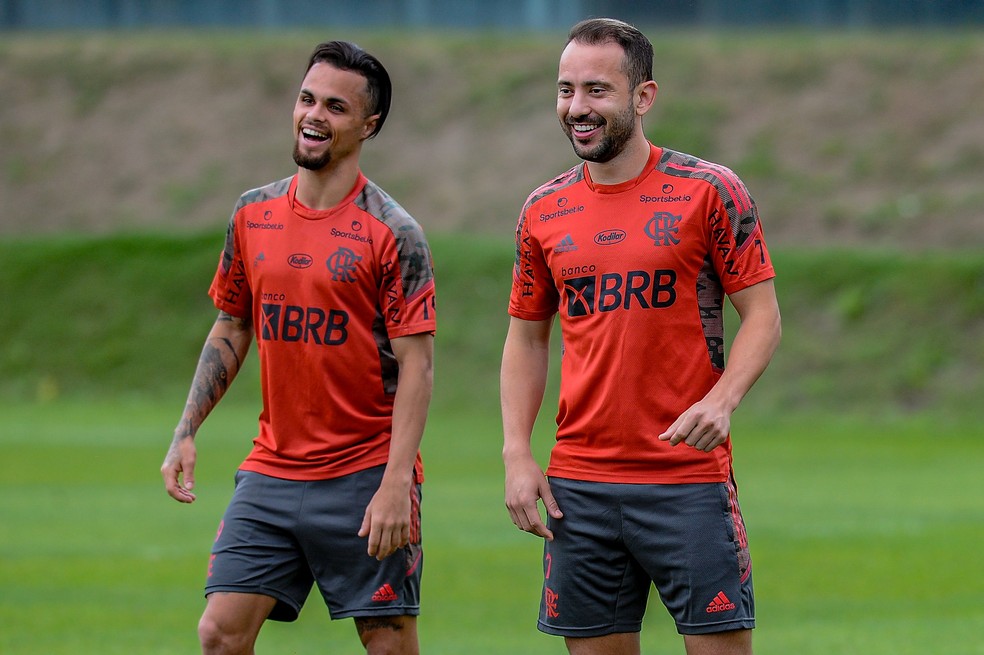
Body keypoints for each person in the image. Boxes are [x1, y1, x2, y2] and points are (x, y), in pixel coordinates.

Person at [501, 18, 781, 655]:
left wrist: (723, 399)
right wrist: (517, 450)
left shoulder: (708, 191)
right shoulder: (543, 209)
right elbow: (526, 339)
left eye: (597, 90)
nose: (577, 108)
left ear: (643, 96)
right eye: (566, 90)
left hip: (686, 480)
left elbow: (762, 314)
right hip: (578, 488)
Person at [160, 40, 436, 655]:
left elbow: (417, 365)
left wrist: (397, 482)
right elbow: (232, 327)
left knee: (388, 642)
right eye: (307, 98)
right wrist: (186, 430)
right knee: (219, 634)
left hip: (364, 474)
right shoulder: (251, 214)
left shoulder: (393, 232)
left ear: (369, 125)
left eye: (335, 106)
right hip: (272, 470)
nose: (314, 115)